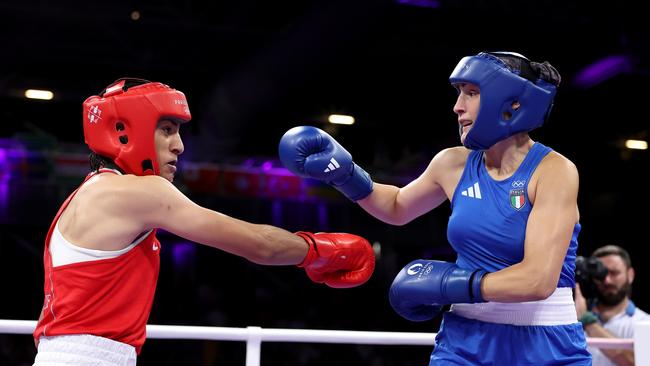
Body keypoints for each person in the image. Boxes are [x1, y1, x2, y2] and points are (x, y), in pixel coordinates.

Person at [32, 78, 376, 365]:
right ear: (124, 130)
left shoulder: (83, 196)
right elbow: (260, 245)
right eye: (167, 129)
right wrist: (317, 250)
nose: (179, 146)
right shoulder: (139, 193)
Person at [279, 51, 592, 364]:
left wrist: (447, 285)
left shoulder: (553, 172)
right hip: (465, 341)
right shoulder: (452, 163)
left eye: (472, 93)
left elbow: (537, 280)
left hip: (546, 341)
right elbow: (397, 207)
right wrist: (347, 175)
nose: (458, 107)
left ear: (511, 102)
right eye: (459, 94)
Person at [575, 245, 650, 365]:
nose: (607, 281)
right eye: (601, 275)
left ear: (630, 275)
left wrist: (587, 320)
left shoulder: (645, 322)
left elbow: (637, 362)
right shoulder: (573, 320)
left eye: (614, 273)